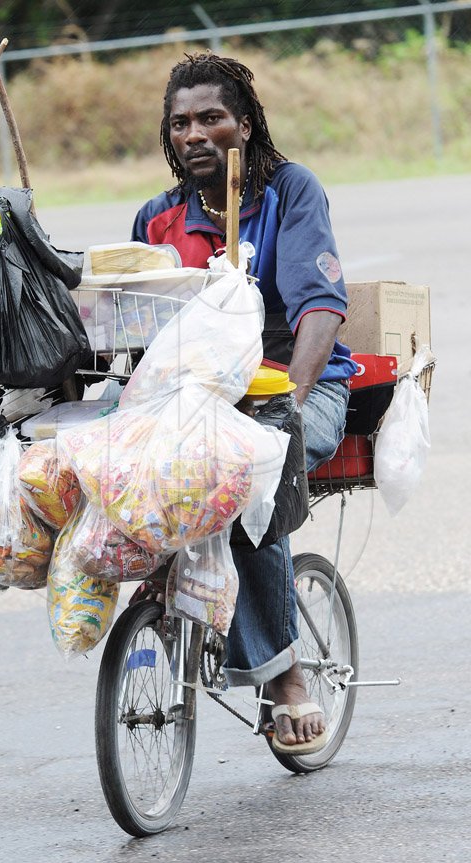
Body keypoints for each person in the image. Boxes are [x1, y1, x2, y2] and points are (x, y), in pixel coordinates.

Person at [132, 52, 358, 754]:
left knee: (247, 467)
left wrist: (287, 399)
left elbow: (321, 310)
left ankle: (286, 675)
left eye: (211, 118)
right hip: (198, 397)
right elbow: (137, 330)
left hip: (301, 386)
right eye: (180, 123)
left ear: (245, 122)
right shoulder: (157, 219)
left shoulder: (291, 192)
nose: (195, 134)